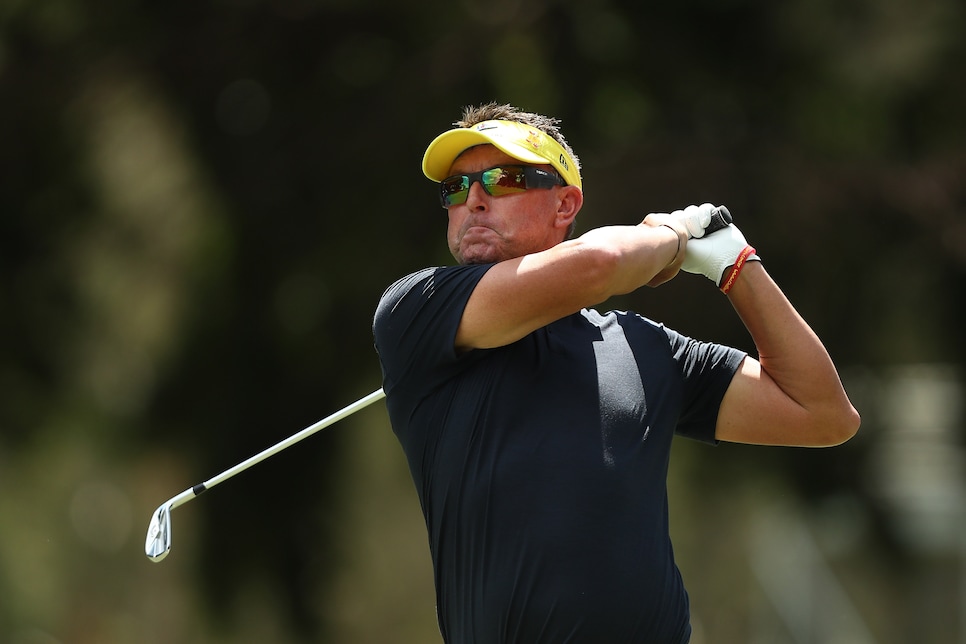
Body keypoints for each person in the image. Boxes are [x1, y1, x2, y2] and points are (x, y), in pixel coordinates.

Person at [372, 103, 860, 644]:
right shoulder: (417, 310)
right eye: (456, 189)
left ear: (566, 205)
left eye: (502, 179)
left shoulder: (644, 345)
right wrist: (673, 236)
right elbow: (599, 264)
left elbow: (822, 414)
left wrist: (735, 264)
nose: (475, 199)